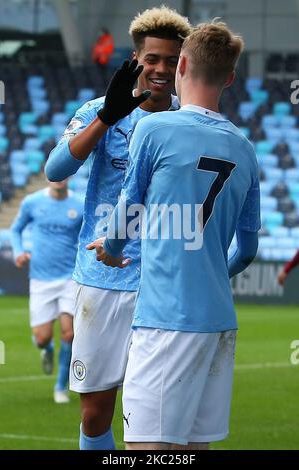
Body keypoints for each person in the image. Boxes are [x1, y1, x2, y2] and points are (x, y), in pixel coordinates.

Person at [94, 20, 260, 450]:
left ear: (182, 63)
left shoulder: (155, 128)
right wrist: (210, 275)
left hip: (167, 320)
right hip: (219, 322)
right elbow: (248, 248)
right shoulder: (245, 147)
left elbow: (130, 204)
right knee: (191, 448)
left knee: (147, 450)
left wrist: (111, 248)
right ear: (230, 78)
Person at [45, 6, 191, 450]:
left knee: (156, 419)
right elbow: (56, 169)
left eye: (171, 60)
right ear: (136, 60)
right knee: (95, 414)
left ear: (183, 63)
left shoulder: (191, 120)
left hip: (164, 281)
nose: (162, 69)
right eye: (153, 59)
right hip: (103, 280)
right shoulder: (99, 110)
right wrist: (108, 116)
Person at [11, 180, 83, 403]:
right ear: (48, 176)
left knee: (69, 333)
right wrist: (19, 251)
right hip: (41, 278)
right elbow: (16, 229)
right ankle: (47, 349)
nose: (59, 178)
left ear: (69, 176)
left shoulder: (79, 204)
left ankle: (60, 386)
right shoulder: (32, 202)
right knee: (42, 338)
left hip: (69, 277)